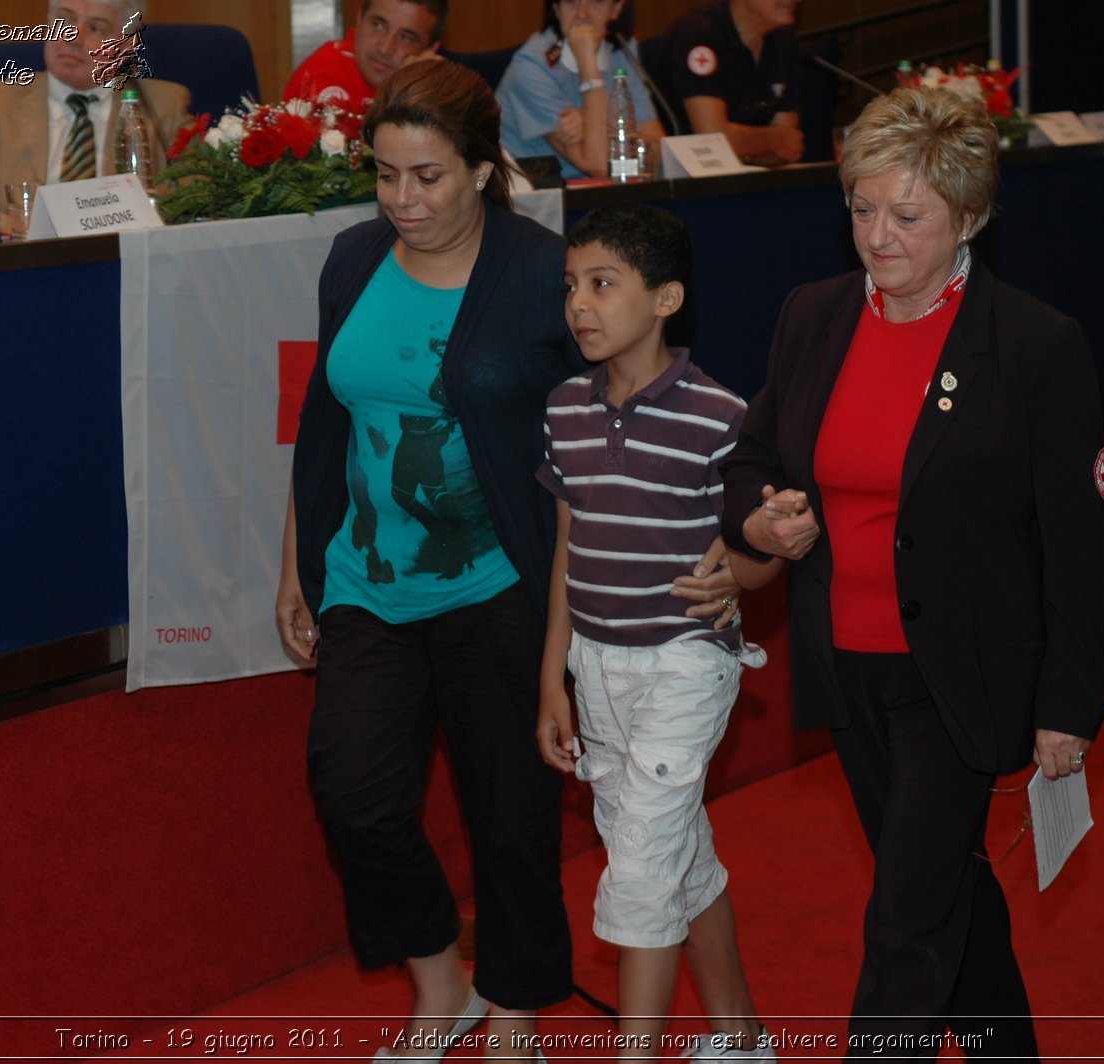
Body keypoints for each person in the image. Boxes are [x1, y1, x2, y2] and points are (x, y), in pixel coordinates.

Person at [276, 60, 742, 1056]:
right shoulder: (353, 261)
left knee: (510, 818)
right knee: (353, 792)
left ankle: (518, 1006)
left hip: (506, 582)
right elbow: (324, 422)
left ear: (484, 170)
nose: (403, 200)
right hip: (367, 577)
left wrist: (714, 531)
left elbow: (638, 394)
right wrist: (294, 564)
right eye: (386, 175)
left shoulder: (542, 270)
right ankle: (441, 981)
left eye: (428, 176)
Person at [720, 86, 1104, 1059]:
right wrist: (763, 515)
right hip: (847, 664)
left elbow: (1079, 541)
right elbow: (751, 456)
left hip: (961, 675)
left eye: (907, 215)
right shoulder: (811, 316)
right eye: (860, 207)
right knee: (945, 891)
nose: (876, 235)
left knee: (902, 919)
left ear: (968, 216)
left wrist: (1070, 700)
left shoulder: (1032, 344)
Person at [536, 205, 772, 1060]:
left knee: (637, 868)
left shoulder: (720, 415)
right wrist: (551, 681)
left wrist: (738, 571)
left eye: (603, 284)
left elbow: (759, 555)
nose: (579, 305)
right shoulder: (565, 408)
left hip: (684, 661)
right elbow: (568, 550)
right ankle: (741, 1037)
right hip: (596, 664)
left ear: (666, 297)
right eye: (571, 286)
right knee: (674, 850)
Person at [0, 0, 192, 213]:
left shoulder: (163, 106)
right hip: (22, 264)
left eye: (96, 28)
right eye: (64, 21)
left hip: (124, 261)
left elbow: (202, 188)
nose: (73, 37)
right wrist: (12, 225)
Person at [496, 0, 664, 180]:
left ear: (616, 9)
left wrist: (588, 119)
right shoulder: (530, 68)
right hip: (535, 196)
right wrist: (588, 64)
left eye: (596, 2)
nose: (582, 14)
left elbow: (657, 150)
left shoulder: (620, 50)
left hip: (595, 193)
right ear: (556, 9)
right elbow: (599, 166)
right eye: (571, 2)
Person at [651, 0, 805, 166]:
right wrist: (772, 138)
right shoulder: (698, 33)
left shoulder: (784, 41)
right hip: (687, 183)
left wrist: (742, 146)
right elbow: (711, 139)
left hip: (751, 178)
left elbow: (790, 147)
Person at [283, 0, 446, 115]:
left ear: (431, 49)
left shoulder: (436, 89)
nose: (385, 48)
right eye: (378, 25)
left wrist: (414, 92)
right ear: (360, 18)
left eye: (406, 38)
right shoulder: (325, 73)